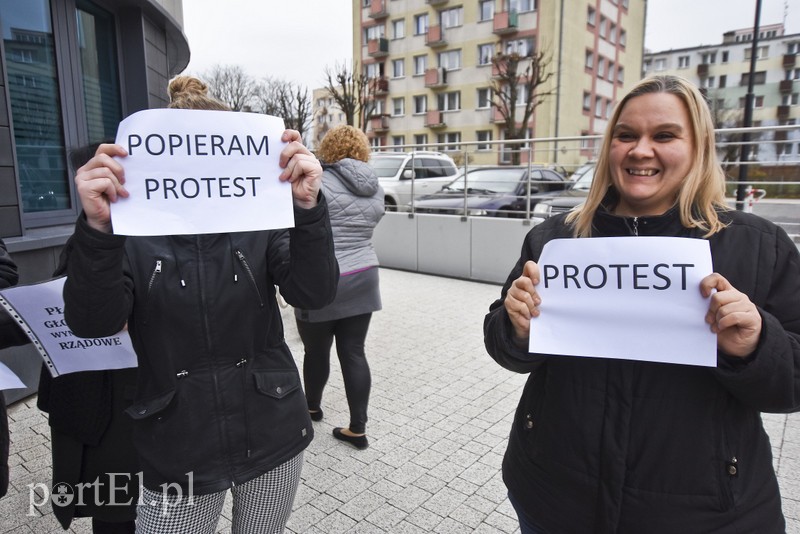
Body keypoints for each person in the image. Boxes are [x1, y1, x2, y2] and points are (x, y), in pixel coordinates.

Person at [484, 75, 800, 533]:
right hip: (555, 499)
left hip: (706, 516)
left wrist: (754, 345)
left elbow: (791, 383)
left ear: (699, 146)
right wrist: (515, 327)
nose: (640, 150)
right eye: (626, 135)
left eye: (665, 135)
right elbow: (504, 346)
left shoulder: (757, 246)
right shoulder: (555, 239)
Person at [62, 76, 338, 533]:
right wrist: (96, 232)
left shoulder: (261, 218)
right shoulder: (129, 226)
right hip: (176, 441)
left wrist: (308, 212)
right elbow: (93, 322)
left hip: (271, 427)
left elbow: (314, 294)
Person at [36, 142, 139, 533]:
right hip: (97, 401)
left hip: (127, 402)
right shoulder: (90, 236)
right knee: (113, 511)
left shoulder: (146, 235)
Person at [294, 124, 384, 450]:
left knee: (316, 351)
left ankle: (311, 408)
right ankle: (357, 428)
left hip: (324, 278)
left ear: (328, 147)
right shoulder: (374, 185)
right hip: (365, 272)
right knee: (354, 352)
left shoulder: (319, 180)